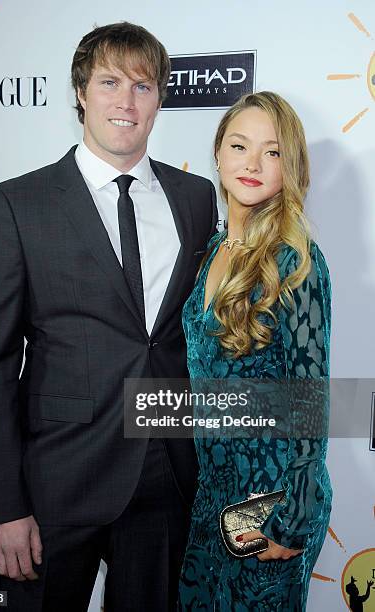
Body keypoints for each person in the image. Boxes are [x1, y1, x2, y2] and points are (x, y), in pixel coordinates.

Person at [0, 22, 217, 612]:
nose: (125, 102)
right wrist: (3, 506)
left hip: (166, 478)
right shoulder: (16, 205)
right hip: (55, 483)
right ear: (81, 92)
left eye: (143, 86)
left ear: (160, 100)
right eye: (109, 83)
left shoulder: (197, 197)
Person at [178, 92, 332, 610]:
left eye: (272, 152)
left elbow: (311, 400)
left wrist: (294, 518)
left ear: (291, 167)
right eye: (240, 145)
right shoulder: (213, 252)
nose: (252, 163)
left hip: (273, 501)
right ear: (218, 154)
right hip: (214, 495)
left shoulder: (295, 263)